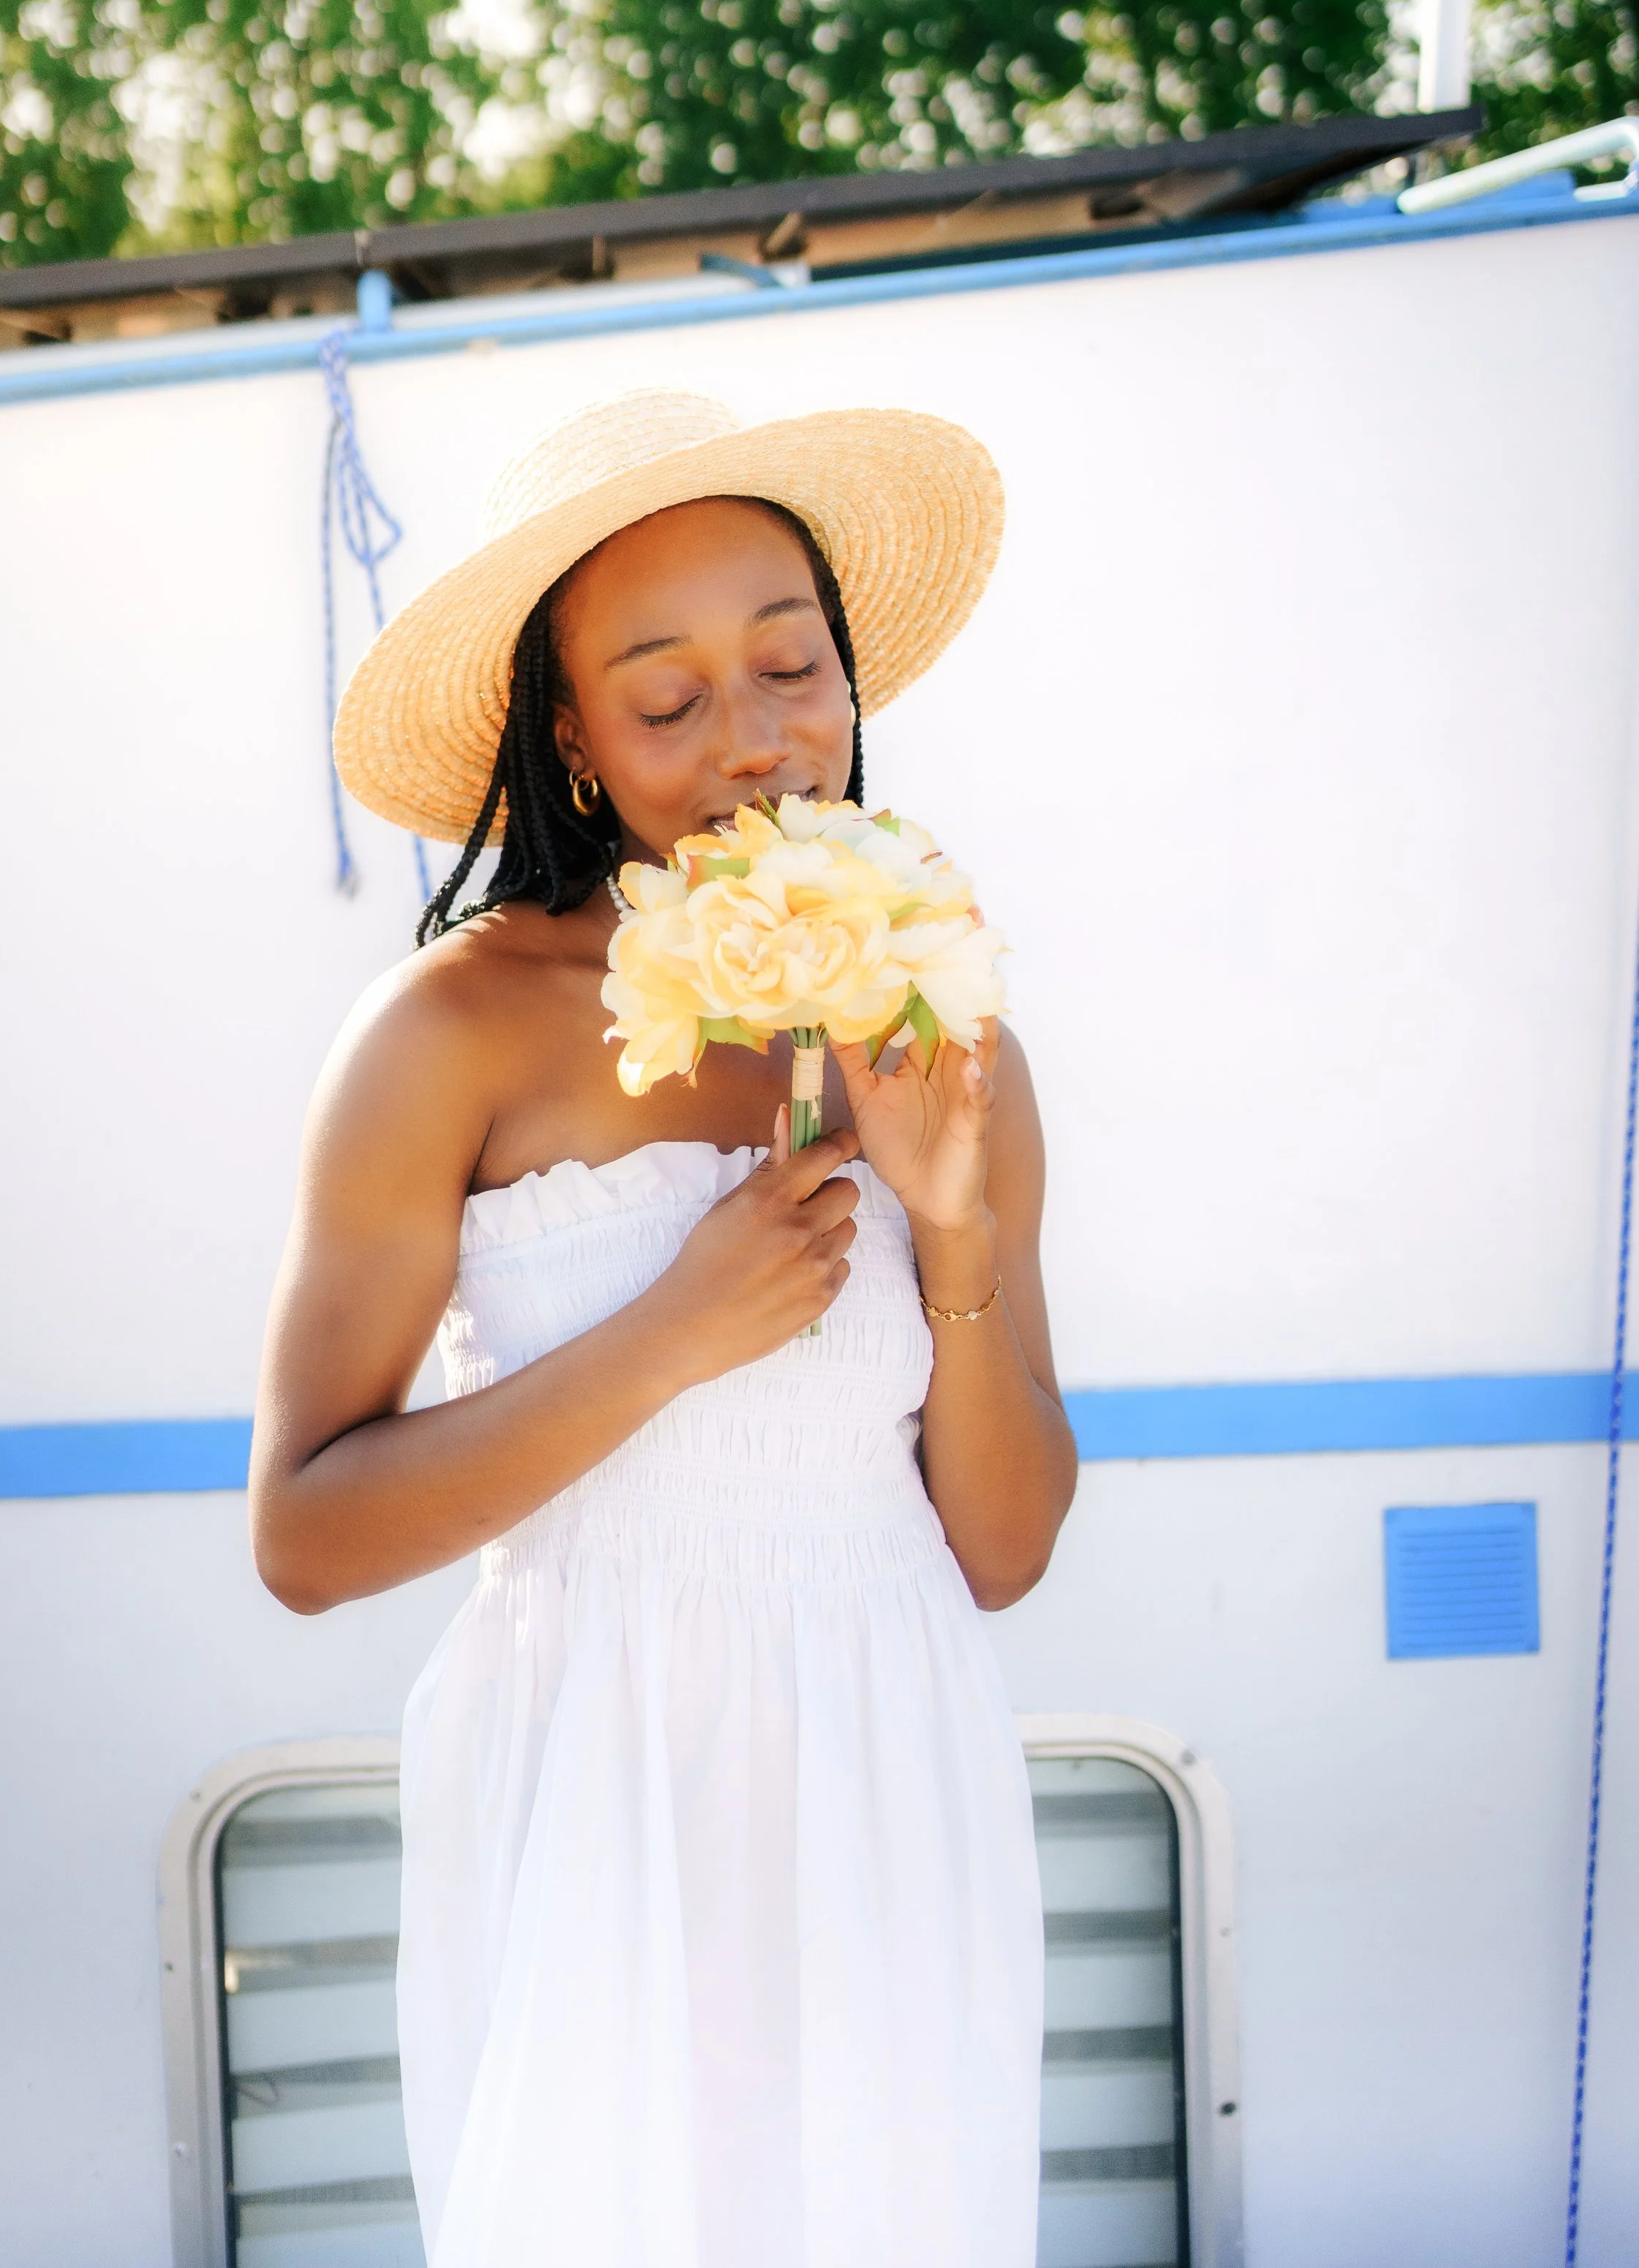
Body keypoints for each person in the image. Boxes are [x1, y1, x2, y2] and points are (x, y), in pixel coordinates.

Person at [250, 388, 1078, 2267]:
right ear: (568, 732)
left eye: (789, 667)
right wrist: (668, 1332)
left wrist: (946, 1218)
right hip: (591, 1783)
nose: (752, 742)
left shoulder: (948, 1024)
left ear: (850, 675)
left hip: (891, 1771)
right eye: (666, 696)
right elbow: (301, 1536)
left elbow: (1006, 1548)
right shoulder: (442, 1035)